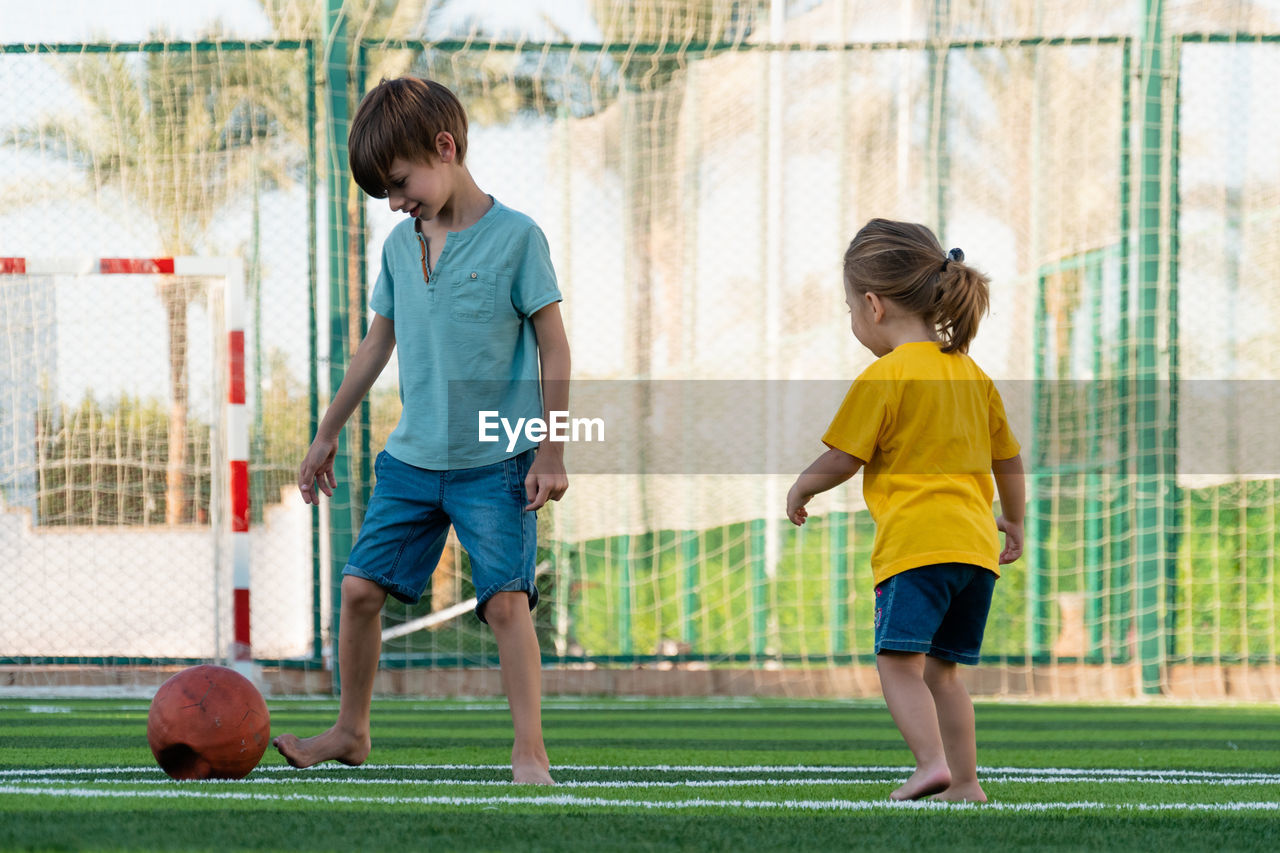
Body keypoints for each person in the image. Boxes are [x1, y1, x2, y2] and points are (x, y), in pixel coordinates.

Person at [272, 77, 570, 786]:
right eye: (385, 194)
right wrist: (325, 432)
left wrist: (552, 449)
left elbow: (554, 346)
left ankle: (530, 749)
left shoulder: (518, 237)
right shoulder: (400, 249)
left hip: (496, 460)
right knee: (356, 591)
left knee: (505, 601)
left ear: (445, 147)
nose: (397, 202)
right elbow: (377, 346)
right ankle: (351, 730)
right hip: (410, 461)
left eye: (400, 183)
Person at [785, 219, 1024, 803]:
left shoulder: (884, 375)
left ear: (872, 305)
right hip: (974, 554)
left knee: (898, 666)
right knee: (944, 673)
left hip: (916, 550)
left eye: (849, 308)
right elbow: (1009, 460)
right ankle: (966, 784)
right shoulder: (973, 375)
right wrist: (1014, 522)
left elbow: (843, 457)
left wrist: (802, 488)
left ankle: (930, 765)